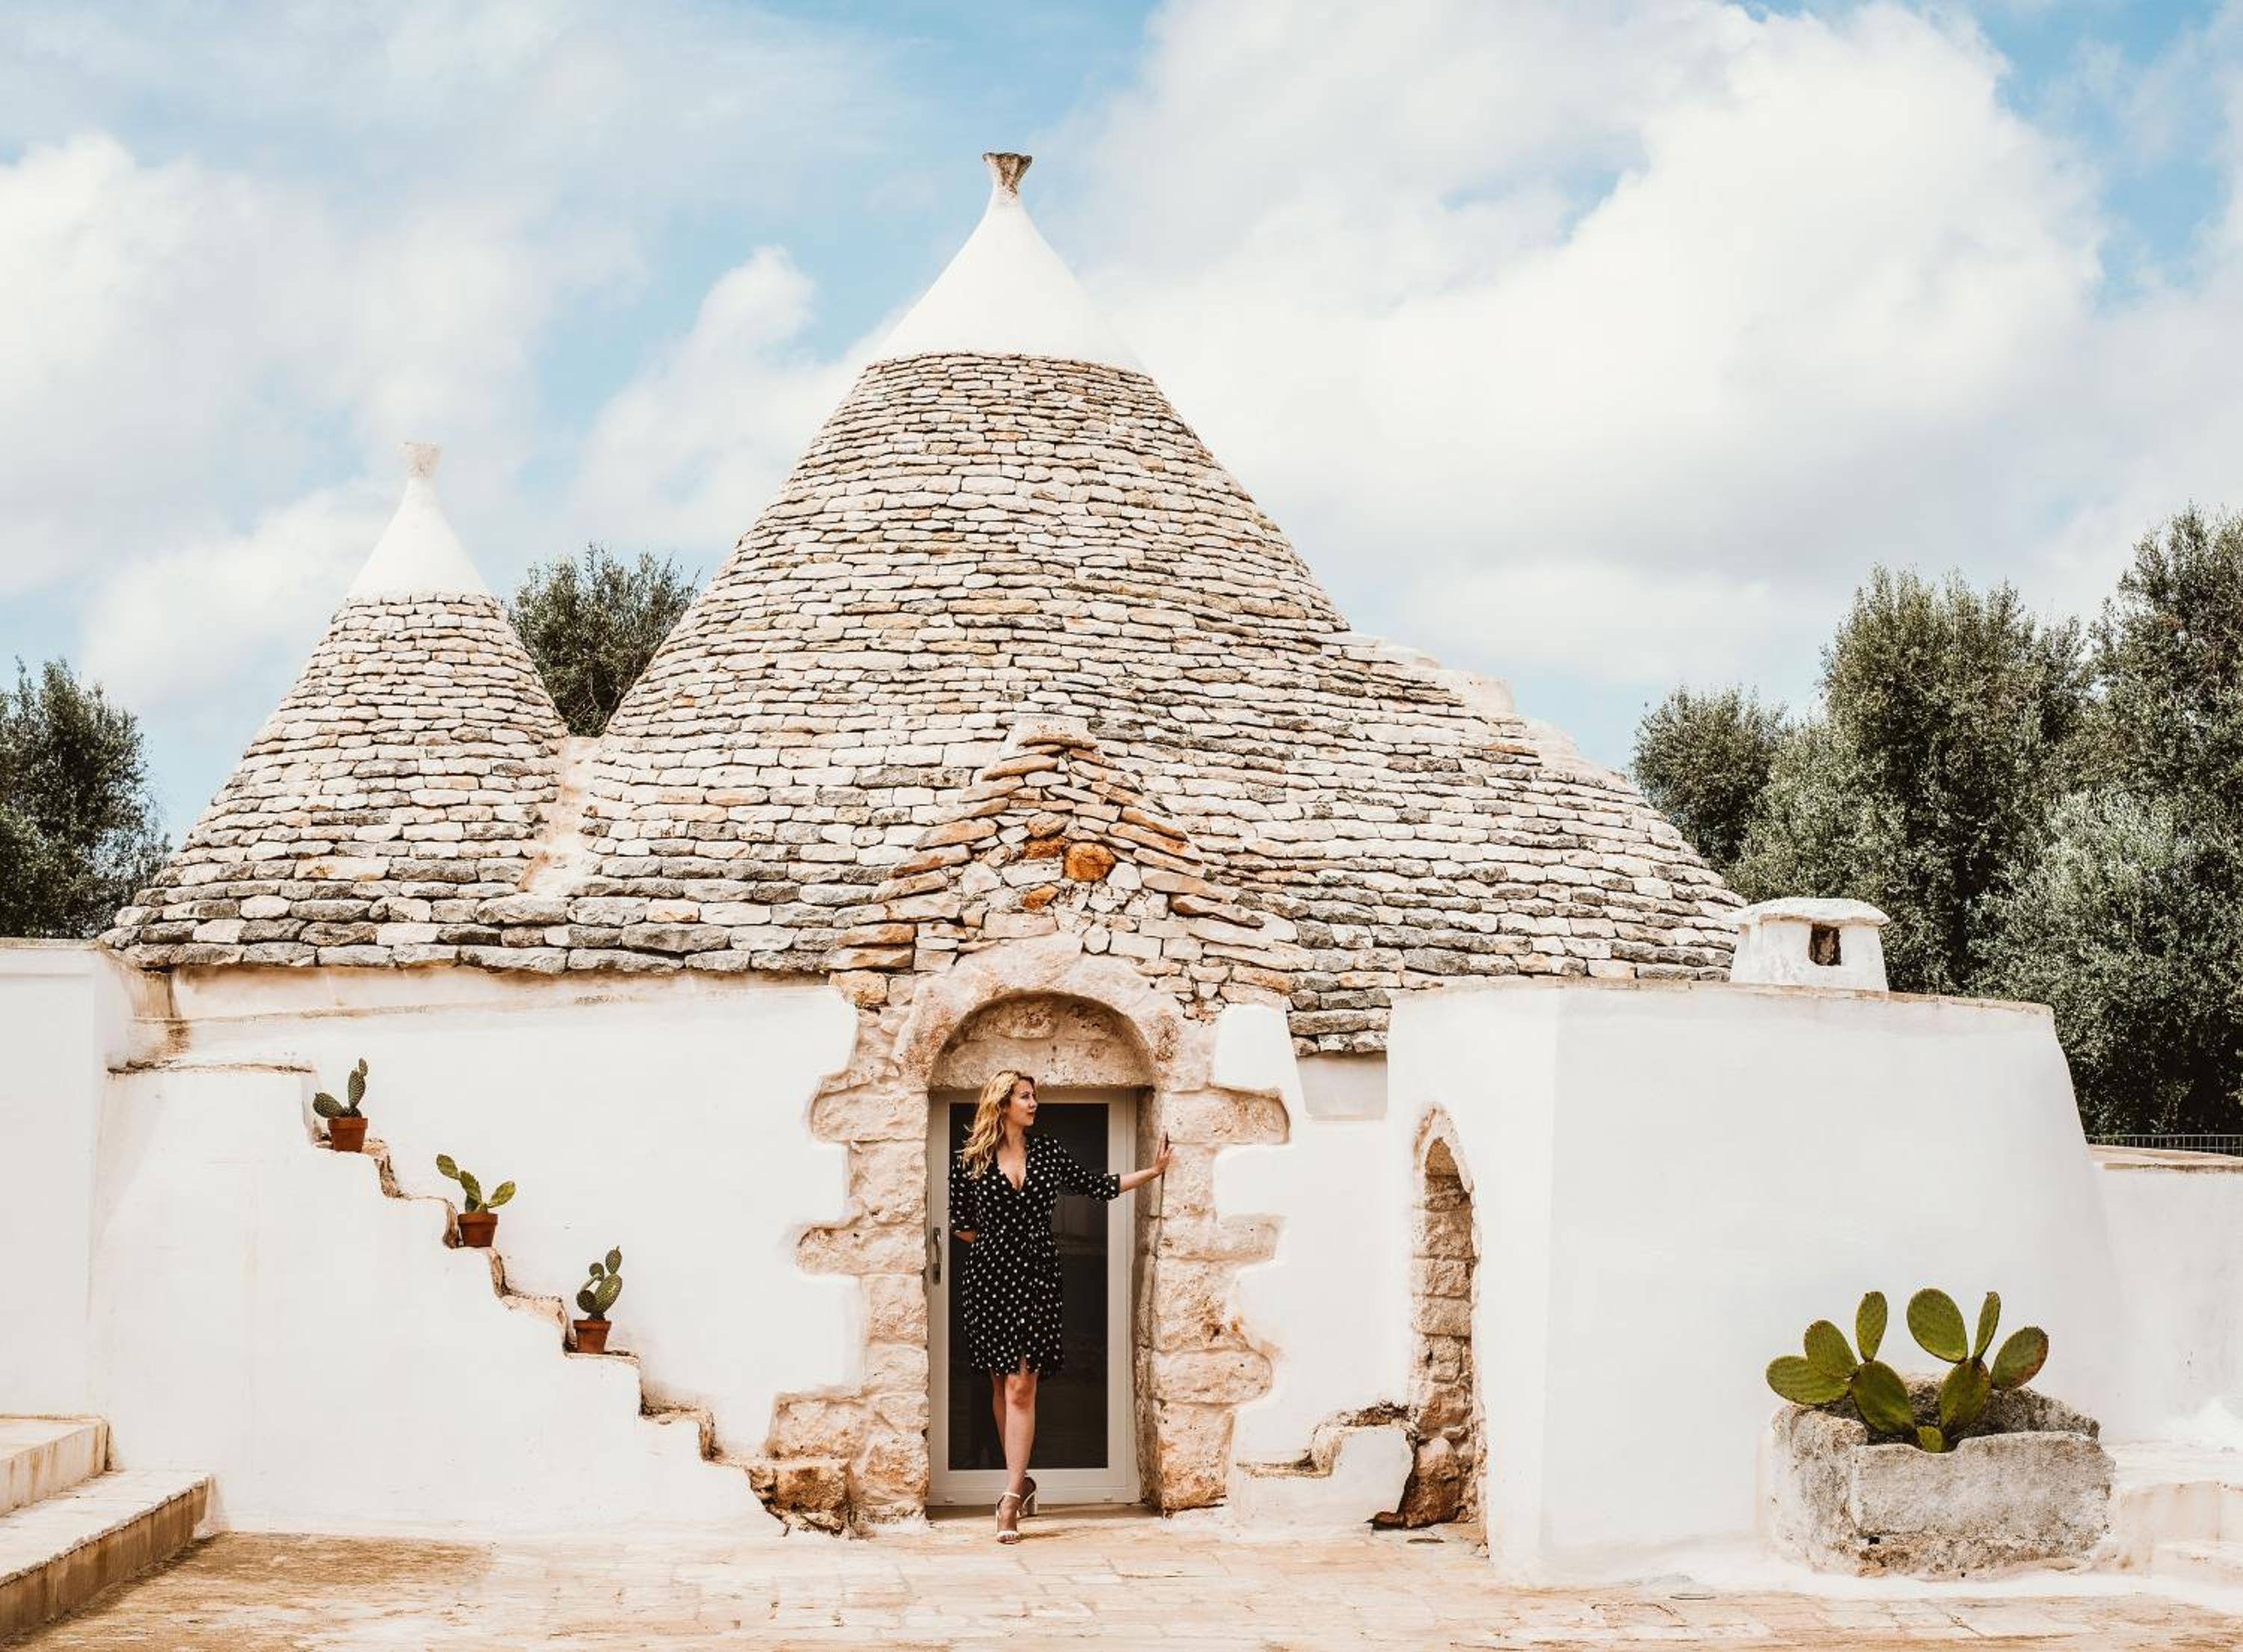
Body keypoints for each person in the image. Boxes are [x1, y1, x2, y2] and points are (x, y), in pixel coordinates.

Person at [950, 1067, 1171, 1543]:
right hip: (989, 1280)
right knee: (1000, 1382)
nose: (1034, 1104)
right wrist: (998, 1246)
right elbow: (961, 1224)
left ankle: (1009, 1500)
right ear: (1002, 1102)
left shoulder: (1047, 1153)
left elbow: (1096, 1185)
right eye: (1025, 1096)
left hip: (1038, 1280)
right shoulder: (969, 1159)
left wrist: (1152, 1172)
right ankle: (1023, 1482)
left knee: (1022, 1387)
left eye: (1034, 1096)